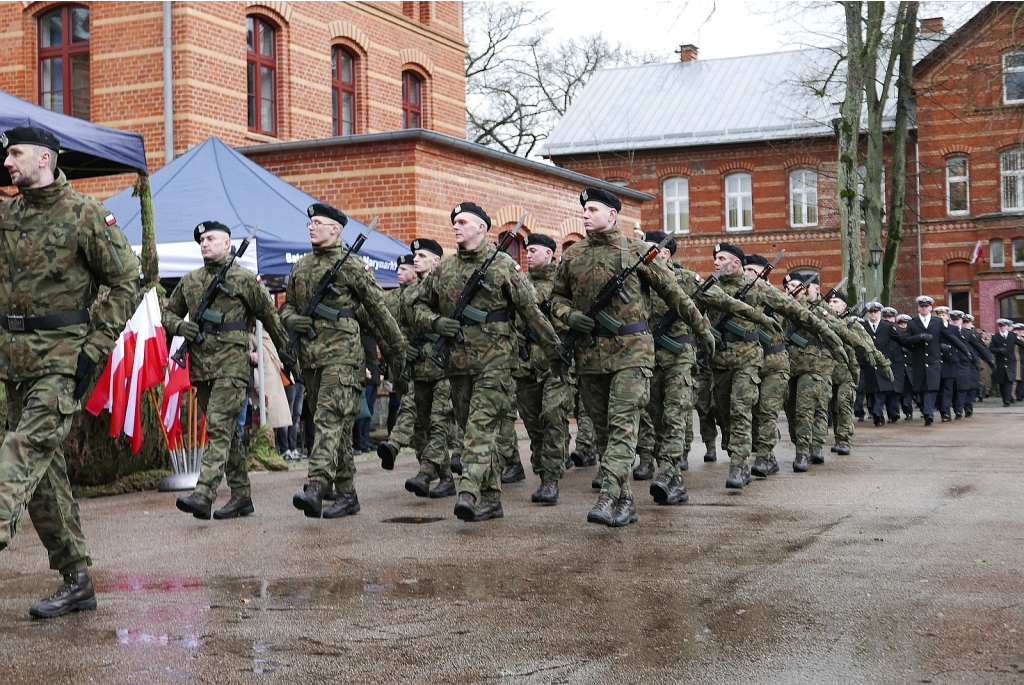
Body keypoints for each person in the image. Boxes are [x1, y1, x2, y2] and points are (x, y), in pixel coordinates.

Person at [0, 126, 139, 618]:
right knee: (43, 478)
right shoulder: (7, 213)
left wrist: (94, 349)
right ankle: (77, 578)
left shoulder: (84, 213)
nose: (7, 162)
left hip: (61, 361)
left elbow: (127, 280)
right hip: (11, 362)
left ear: (44, 157)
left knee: (21, 451)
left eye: (15, 154)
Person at [550, 188, 717, 526]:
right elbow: (556, 300)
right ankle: (625, 501)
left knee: (623, 427)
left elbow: (676, 295)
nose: (585, 214)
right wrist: (569, 316)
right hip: (590, 357)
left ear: (612, 215)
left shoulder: (640, 253)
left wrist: (702, 331)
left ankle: (609, 496)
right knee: (604, 434)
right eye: (584, 209)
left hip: (632, 354)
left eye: (593, 209)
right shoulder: (573, 256)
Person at [412, 202, 562, 522]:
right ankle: (492, 499)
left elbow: (531, 312)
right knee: (473, 428)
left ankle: (468, 491)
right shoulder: (444, 269)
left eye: (463, 221)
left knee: (478, 429)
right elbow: (416, 307)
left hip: (496, 361)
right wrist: (436, 324)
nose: (456, 225)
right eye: (454, 221)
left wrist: (554, 351)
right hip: (457, 364)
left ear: (482, 228)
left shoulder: (503, 266)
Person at [281, 204, 406, 519]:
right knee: (334, 427)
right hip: (311, 360)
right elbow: (286, 309)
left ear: (335, 229)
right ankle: (348, 495)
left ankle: (316, 486)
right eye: (309, 223)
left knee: (326, 420)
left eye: (318, 223)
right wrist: (293, 320)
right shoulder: (301, 267)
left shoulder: (352, 267)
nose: (311, 227)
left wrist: (398, 351)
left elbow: (379, 310)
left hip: (343, 357)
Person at [166, 221, 295, 521]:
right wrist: (180, 326)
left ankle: (204, 494)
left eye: (211, 238)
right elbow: (169, 314)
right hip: (202, 367)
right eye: (201, 240)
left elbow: (270, 317)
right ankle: (241, 496)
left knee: (219, 427)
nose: (205, 244)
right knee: (228, 434)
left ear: (228, 243)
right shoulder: (190, 281)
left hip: (233, 366)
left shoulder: (243, 279)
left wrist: (289, 356)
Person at [743, 256, 847, 474]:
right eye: (787, 286)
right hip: (789, 366)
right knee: (791, 412)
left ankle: (806, 451)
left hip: (814, 367)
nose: (790, 289)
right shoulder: (780, 305)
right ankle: (803, 446)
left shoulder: (817, 309)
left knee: (806, 410)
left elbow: (835, 330)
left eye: (794, 286)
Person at [698, 243, 788, 488]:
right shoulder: (709, 288)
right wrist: (704, 331)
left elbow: (795, 312)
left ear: (734, 263)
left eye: (722, 258)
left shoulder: (757, 289)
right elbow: (691, 314)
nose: (716, 262)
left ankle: (740, 465)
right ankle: (740, 452)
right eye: (715, 258)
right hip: (720, 362)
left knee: (742, 409)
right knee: (723, 412)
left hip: (750, 360)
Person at [379, 239, 459, 498]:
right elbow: (400, 328)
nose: (416, 258)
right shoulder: (410, 294)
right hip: (420, 368)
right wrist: (404, 347)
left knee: (439, 423)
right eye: (415, 255)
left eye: (422, 255)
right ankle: (446, 478)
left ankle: (425, 473)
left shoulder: (447, 286)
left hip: (446, 366)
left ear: (436, 260)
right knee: (422, 422)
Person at [513, 233, 573, 504]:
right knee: (533, 422)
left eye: (535, 250)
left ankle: (551, 479)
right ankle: (542, 469)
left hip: (555, 365)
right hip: (526, 365)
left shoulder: (563, 283)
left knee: (552, 416)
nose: (529, 254)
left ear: (549, 253)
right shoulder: (519, 283)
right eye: (527, 250)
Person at [902, 296, 971, 425]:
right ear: (918, 308)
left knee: (932, 388)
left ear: (930, 308)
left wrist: (965, 350)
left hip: (934, 360)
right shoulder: (912, 323)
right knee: (922, 389)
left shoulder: (937, 322)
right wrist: (920, 337)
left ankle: (929, 414)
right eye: (921, 306)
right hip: (919, 361)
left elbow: (950, 336)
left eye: (926, 306)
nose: (924, 308)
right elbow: (905, 339)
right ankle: (926, 410)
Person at [352, 333, 380, 453]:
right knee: (362, 411)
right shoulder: (361, 337)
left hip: (374, 377)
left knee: (370, 410)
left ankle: (365, 437)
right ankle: (359, 440)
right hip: (365, 378)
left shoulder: (373, 338)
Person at [989, 318, 1020, 406]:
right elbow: (991, 349)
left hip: (1010, 362)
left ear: (1007, 326)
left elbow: (1020, 343)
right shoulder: (995, 337)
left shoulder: (1012, 335)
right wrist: (998, 350)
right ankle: (1005, 398)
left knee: (1009, 381)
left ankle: (1007, 400)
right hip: (1000, 363)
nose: (1002, 328)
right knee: (1002, 382)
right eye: (1000, 326)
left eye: (1004, 326)